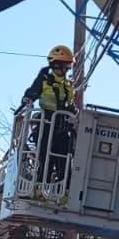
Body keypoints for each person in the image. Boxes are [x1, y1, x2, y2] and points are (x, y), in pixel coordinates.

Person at [21, 46, 77, 190]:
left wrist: (74, 111)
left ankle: (65, 188)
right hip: (46, 124)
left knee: (65, 156)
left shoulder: (68, 85)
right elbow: (32, 91)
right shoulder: (44, 80)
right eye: (66, 65)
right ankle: (40, 186)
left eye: (69, 65)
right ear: (57, 64)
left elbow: (70, 104)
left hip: (62, 126)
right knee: (46, 156)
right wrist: (28, 98)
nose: (68, 68)